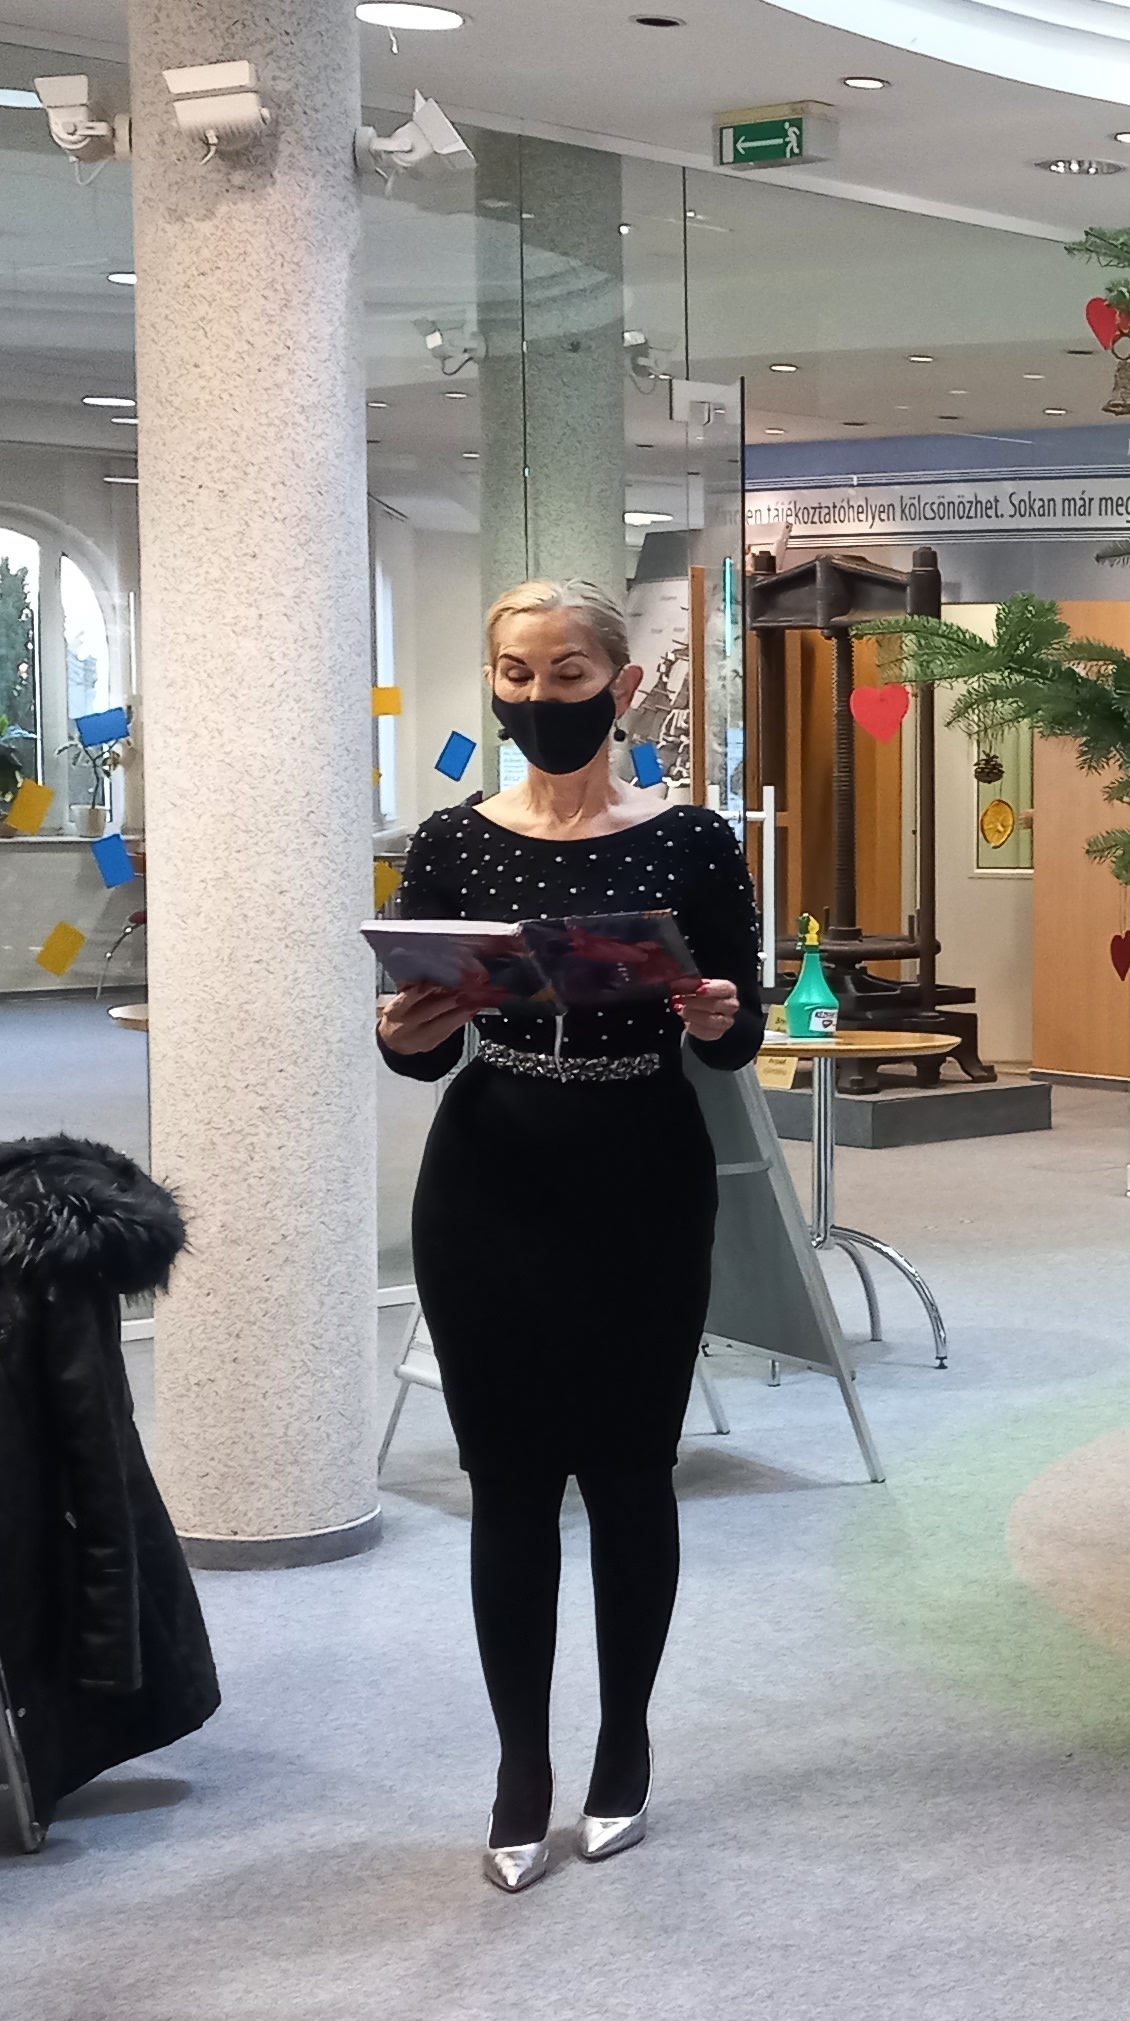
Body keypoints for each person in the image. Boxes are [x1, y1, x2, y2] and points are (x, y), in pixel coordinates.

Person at [376, 577, 761, 1894]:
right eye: (517, 674)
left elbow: (739, 1030)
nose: (541, 698)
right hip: (489, 1180)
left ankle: (623, 1743)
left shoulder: (693, 841)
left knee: (631, 1471)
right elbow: (424, 1054)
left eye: (569, 673)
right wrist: (403, 1031)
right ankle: (519, 1763)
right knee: (510, 1480)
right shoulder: (448, 840)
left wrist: (718, 1015)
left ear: (622, 684)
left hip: (645, 1170)